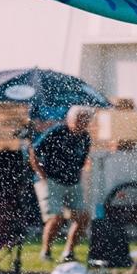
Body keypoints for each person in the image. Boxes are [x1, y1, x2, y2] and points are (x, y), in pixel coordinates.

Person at [29, 105, 93, 262]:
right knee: (56, 218)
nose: (82, 123)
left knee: (83, 217)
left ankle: (68, 252)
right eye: (79, 119)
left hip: (72, 182)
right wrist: (41, 174)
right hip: (50, 180)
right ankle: (46, 252)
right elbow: (34, 151)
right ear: (70, 119)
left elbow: (82, 161)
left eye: (85, 120)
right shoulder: (57, 131)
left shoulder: (85, 137)